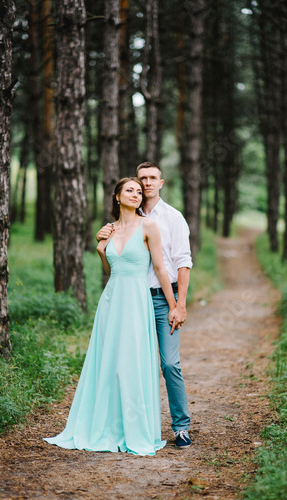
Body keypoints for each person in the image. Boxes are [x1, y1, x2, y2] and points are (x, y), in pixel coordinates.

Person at [43, 177, 177, 456]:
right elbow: (110, 270)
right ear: (117, 197)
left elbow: (161, 269)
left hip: (136, 301)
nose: (136, 195)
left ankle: (133, 428)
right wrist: (101, 250)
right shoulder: (109, 229)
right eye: (130, 190)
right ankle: (103, 425)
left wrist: (174, 305)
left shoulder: (148, 225)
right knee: (108, 361)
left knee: (130, 362)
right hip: (112, 301)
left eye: (139, 192)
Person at [97, 162, 193, 449]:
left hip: (165, 300)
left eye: (152, 179)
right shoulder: (124, 221)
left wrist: (180, 305)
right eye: (141, 180)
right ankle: (125, 425)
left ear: (161, 183)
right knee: (130, 363)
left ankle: (181, 427)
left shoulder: (173, 218)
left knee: (169, 363)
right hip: (132, 300)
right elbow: (112, 264)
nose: (146, 184)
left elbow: (182, 263)